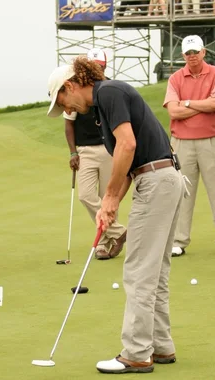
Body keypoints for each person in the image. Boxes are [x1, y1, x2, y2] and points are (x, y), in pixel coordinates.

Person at [47, 57, 185, 374]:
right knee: (156, 272)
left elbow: (127, 143)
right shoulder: (105, 102)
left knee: (138, 271)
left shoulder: (107, 93)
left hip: (156, 181)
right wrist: (112, 205)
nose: (65, 108)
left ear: (70, 86)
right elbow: (128, 162)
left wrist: (108, 197)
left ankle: (136, 352)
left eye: (62, 100)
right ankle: (161, 346)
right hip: (163, 178)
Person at [163, 34, 215, 257]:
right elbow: (173, 111)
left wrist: (188, 103)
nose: (192, 56)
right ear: (183, 55)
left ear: (204, 52)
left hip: (211, 141)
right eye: (188, 53)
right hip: (182, 143)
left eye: (196, 52)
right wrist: (202, 106)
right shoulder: (175, 78)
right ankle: (179, 241)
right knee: (182, 192)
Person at [64, 48, 126, 260]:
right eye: (91, 66)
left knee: (108, 198)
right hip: (85, 150)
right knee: (86, 196)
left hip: (110, 149)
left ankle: (102, 244)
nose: (95, 70)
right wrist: (72, 151)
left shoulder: (110, 90)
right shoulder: (73, 89)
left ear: (104, 67)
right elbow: (68, 125)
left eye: (98, 66)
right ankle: (119, 233)